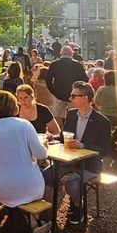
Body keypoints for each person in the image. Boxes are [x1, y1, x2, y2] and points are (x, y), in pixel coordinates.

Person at [0, 91, 52, 233]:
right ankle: (37, 220)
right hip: (23, 187)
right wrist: (44, 146)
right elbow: (41, 155)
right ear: (15, 107)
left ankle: (32, 222)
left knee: (18, 185)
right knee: (46, 182)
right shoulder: (24, 125)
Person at [43, 82, 111, 224]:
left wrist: (83, 145)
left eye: (73, 96)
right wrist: (53, 137)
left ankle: (78, 206)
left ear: (85, 98)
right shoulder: (72, 114)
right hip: (68, 160)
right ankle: (56, 203)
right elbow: (64, 137)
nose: (70, 98)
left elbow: (104, 149)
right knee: (45, 176)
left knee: (71, 185)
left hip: (89, 164)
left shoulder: (102, 122)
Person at [45, 45, 89, 122]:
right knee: (74, 116)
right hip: (74, 94)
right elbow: (85, 79)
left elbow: (48, 79)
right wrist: (79, 91)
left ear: (61, 53)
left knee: (57, 117)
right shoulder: (77, 64)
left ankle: (59, 129)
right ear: (71, 53)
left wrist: (53, 91)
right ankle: (72, 128)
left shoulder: (54, 64)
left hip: (58, 93)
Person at [94, 71, 117, 147]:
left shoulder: (101, 89)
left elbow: (96, 102)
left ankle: (108, 138)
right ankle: (114, 137)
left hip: (104, 115)